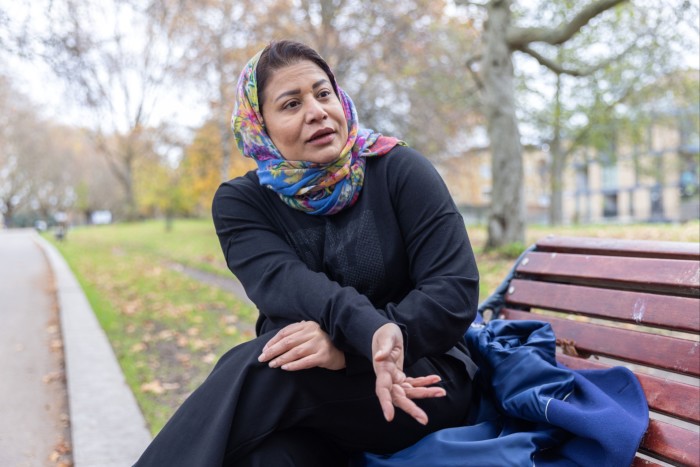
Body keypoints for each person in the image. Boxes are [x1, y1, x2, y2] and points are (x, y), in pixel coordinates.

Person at [134, 39, 479, 467]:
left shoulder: (399, 170)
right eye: (291, 104)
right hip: (312, 391)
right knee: (268, 459)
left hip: (421, 380)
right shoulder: (243, 204)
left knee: (266, 370)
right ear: (259, 125)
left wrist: (352, 348)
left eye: (322, 93)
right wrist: (361, 331)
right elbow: (289, 287)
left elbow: (453, 293)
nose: (316, 111)